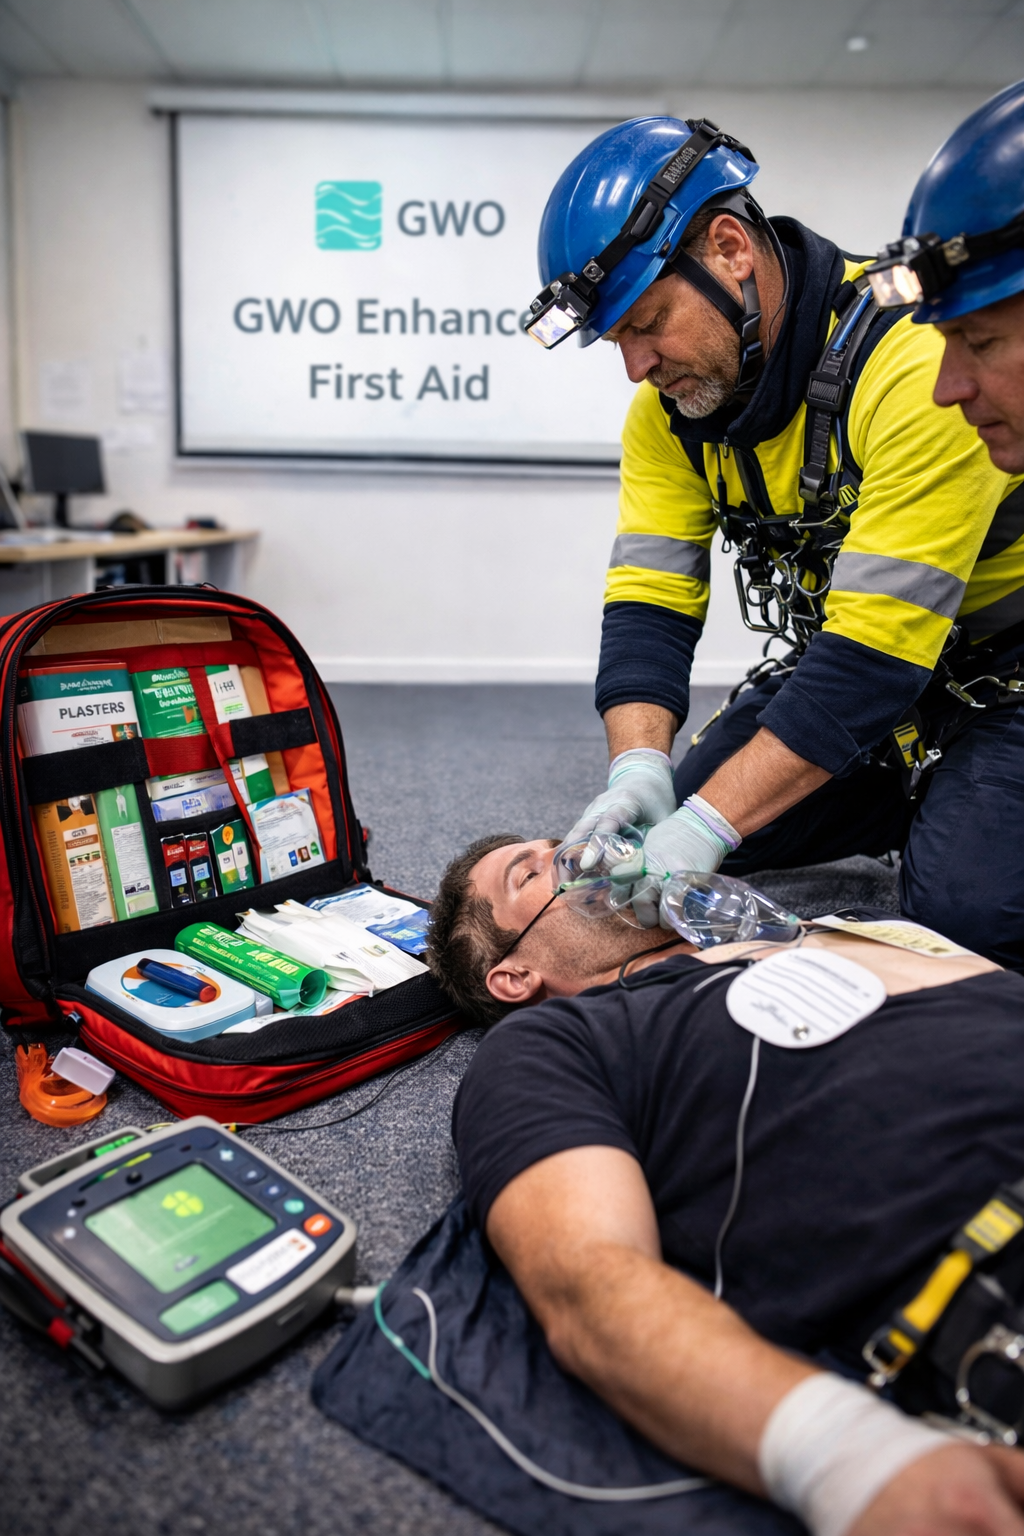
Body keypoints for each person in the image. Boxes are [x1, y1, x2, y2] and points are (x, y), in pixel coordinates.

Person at [524, 113, 1024, 966]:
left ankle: (945, 809)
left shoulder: (911, 366)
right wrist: (638, 770)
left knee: (967, 919)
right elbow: (650, 602)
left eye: (648, 322)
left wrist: (712, 820)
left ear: (729, 249)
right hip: (882, 682)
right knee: (687, 811)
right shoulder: (668, 417)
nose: (637, 367)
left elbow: (873, 653)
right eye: (618, 342)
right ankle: (917, 797)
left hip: (999, 680)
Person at [427, 832, 1024, 1536]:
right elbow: (590, 1282)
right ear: (513, 976)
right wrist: (856, 1459)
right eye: (534, 871)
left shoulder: (844, 930)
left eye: (573, 837)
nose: (587, 857)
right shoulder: (553, 1045)